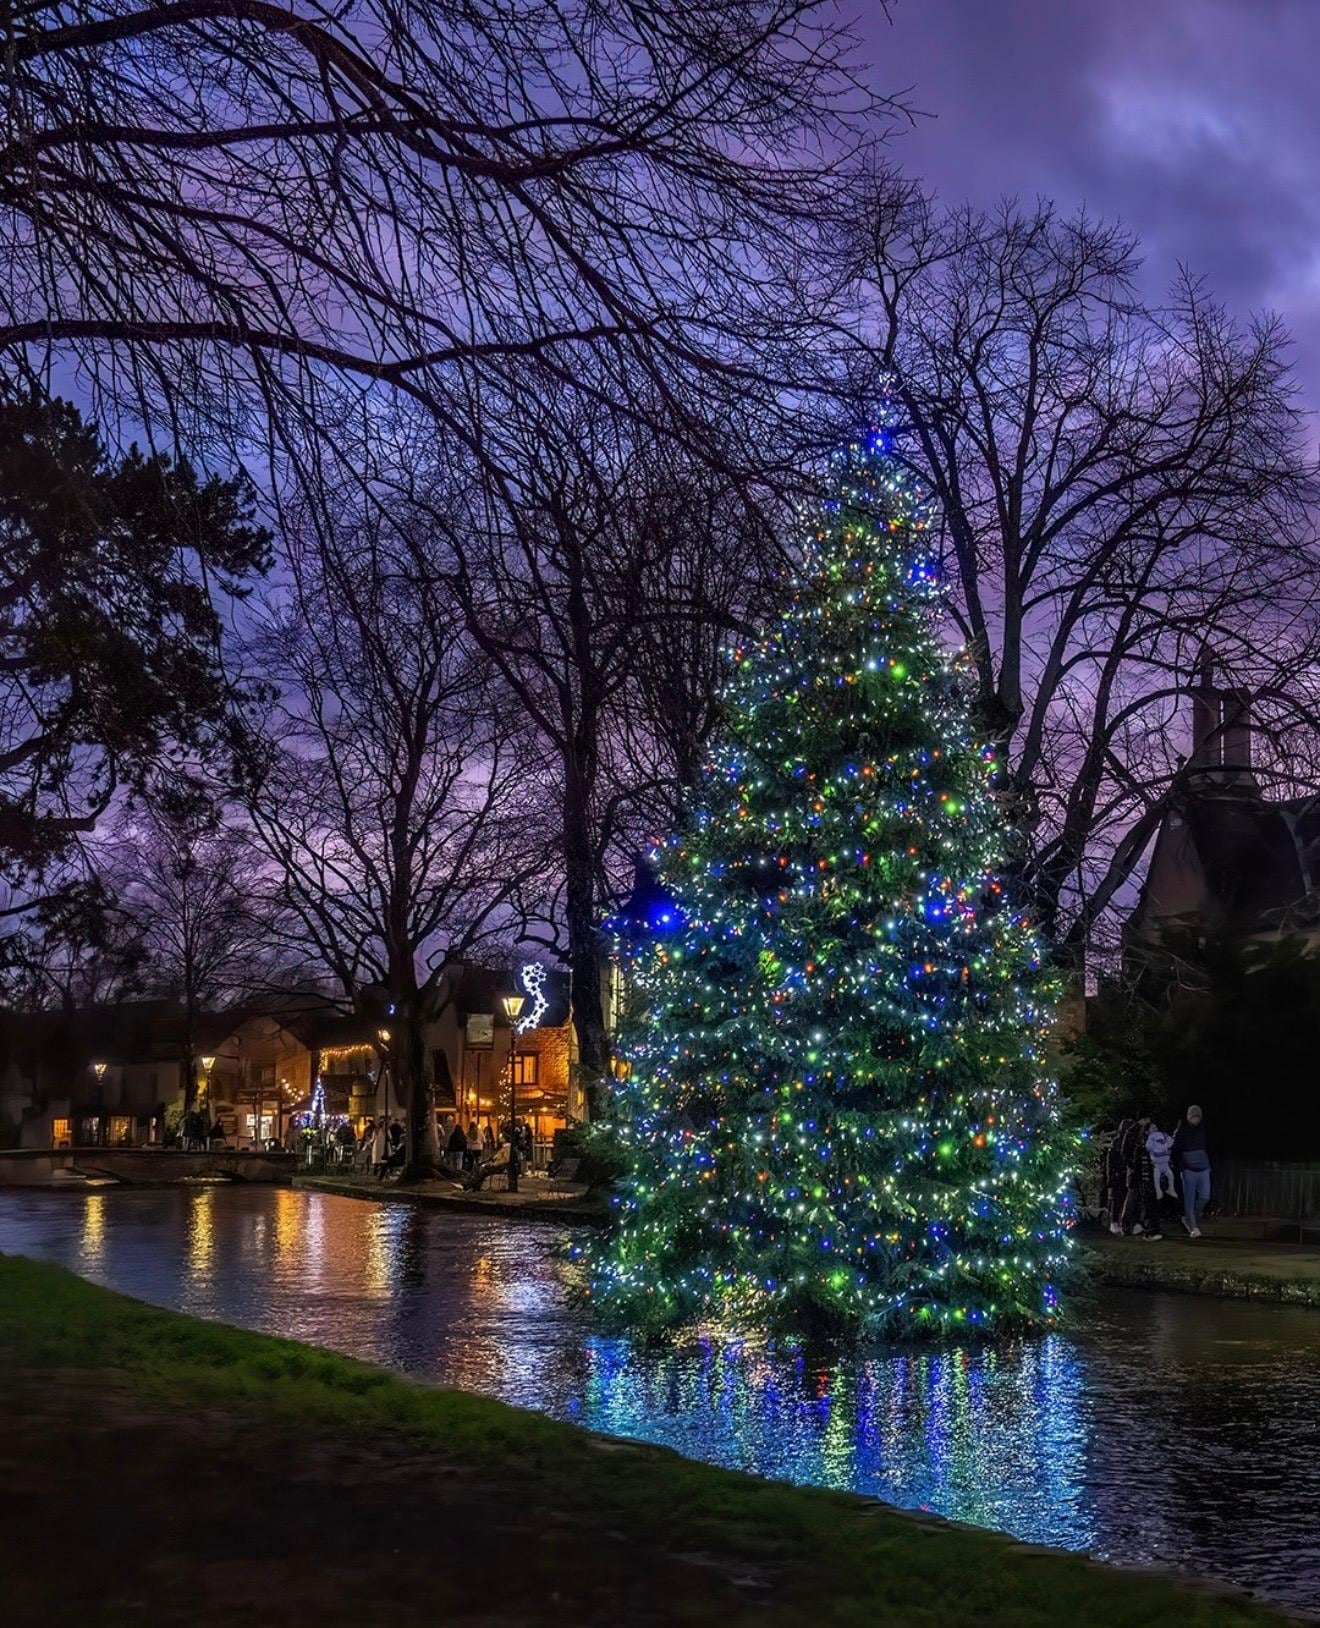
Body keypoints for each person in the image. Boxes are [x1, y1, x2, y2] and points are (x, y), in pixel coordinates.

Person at [1173, 1104, 1211, 1237]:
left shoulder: (1203, 1129)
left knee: (1205, 1196)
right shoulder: (1182, 1131)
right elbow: (1176, 1151)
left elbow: (1208, 1146)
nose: (1196, 1120)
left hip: (1203, 1168)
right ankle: (1193, 1227)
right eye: (1193, 1117)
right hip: (1188, 1170)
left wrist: (1208, 1164)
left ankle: (1190, 1218)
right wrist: (1182, 1168)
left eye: (1198, 1117)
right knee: (1189, 1199)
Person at [1146, 1119, 1176, 1200]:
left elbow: (1170, 1143)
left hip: (1166, 1163)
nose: (1155, 1129)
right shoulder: (1150, 1139)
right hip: (1156, 1164)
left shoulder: (1163, 1135)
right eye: (1152, 1128)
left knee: (1169, 1177)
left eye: (1155, 1127)